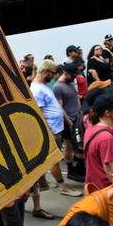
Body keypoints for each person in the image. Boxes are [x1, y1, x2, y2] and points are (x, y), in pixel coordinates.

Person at [30, 59, 82, 197]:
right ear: (45, 71)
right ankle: (62, 186)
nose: (54, 76)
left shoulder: (44, 86)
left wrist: (67, 121)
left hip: (56, 128)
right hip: (51, 130)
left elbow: (55, 106)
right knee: (52, 160)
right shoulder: (36, 89)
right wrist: (48, 132)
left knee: (53, 159)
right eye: (52, 73)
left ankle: (44, 183)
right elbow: (39, 114)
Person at [83, 94, 113, 190]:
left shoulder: (91, 128)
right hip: (104, 188)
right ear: (107, 112)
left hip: (93, 184)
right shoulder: (106, 138)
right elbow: (110, 170)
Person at [53, 63, 84, 182]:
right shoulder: (58, 87)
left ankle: (79, 168)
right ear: (65, 73)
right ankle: (70, 170)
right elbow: (60, 108)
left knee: (79, 145)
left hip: (77, 118)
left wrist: (80, 112)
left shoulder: (71, 82)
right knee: (69, 146)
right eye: (73, 75)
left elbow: (76, 98)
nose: (75, 77)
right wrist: (69, 122)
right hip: (68, 121)